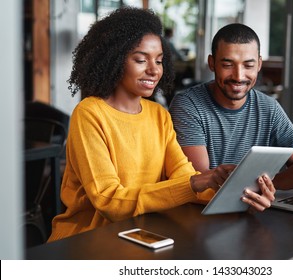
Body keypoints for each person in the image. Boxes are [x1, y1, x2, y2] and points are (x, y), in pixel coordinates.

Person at [48, 8, 275, 242]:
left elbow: (184, 178)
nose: (154, 70)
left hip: (141, 235)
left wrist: (243, 197)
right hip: (86, 242)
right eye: (140, 60)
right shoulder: (89, 114)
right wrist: (195, 182)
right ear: (114, 60)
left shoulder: (159, 115)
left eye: (158, 60)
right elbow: (110, 201)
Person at [169, 23, 293, 190]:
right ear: (212, 63)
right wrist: (277, 182)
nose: (239, 76)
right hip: (202, 212)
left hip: (257, 208)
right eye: (227, 65)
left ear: (259, 65)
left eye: (248, 65)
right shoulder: (188, 105)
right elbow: (201, 181)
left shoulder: (269, 107)